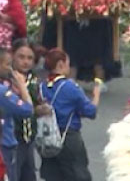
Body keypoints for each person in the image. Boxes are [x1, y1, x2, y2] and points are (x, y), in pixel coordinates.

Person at [39, 48, 99, 181]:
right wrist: (96, 97)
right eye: (67, 64)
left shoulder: (41, 87)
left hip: (47, 137)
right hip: (68, 137)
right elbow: (90, 111)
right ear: (60, 64)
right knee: (77, 174)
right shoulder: (70, 87)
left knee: (53, 175)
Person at [9, 41, 51, 181]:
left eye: (29, 58)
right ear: (12, 56)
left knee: (29, 176)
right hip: (13, 138)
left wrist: (42, 108)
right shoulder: (6, 79)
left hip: (29, 138)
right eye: (21, 57)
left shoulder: (34, 80)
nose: (25, 62)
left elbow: (35, 104)